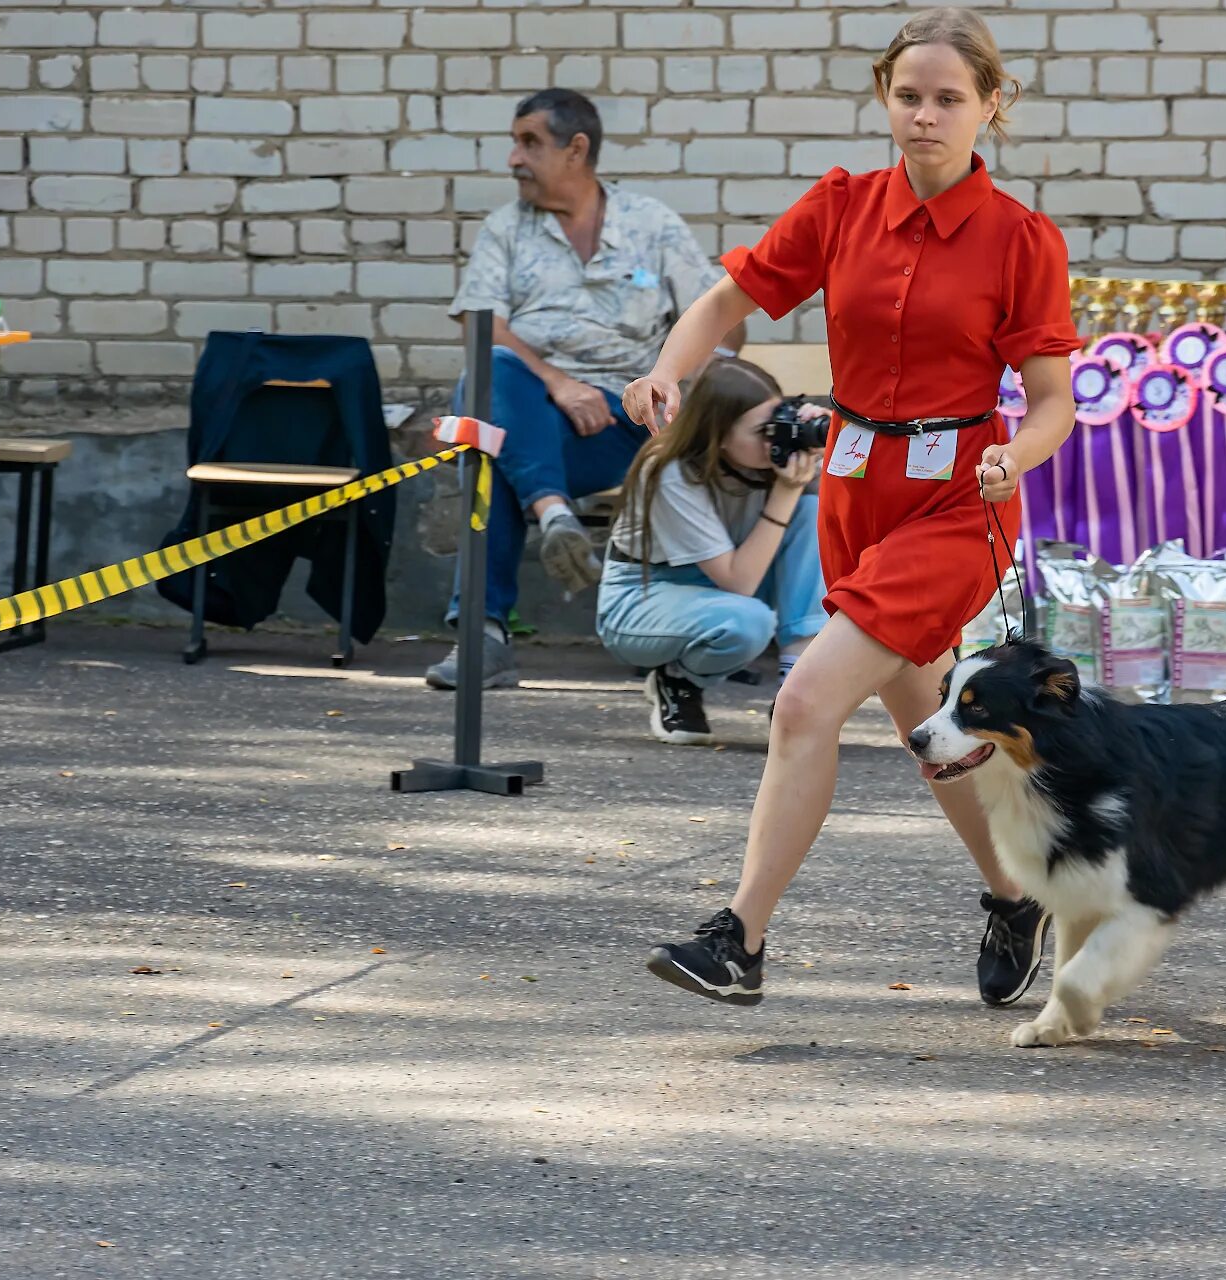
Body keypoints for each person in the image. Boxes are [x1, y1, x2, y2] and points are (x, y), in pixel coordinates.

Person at [623, 8, 1082, 1009]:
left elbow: (1054, 401)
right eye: (908, 96)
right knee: (933, 733)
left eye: (948, 99)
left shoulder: (1020, 239)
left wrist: (1017, 454)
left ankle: (738, 937)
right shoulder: (839, 207)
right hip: (852, 495)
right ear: (885, 97)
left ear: (989, 107)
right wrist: (667, 367)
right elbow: (725, 301)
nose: (924, 116)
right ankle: (1017, 895)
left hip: (956, 506)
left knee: (802, 700)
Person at [428, 88, 744, 690]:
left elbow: (727, 324)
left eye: (529, 143)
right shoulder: (507, 229)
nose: (513, 159)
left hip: (627, 422)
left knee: (490, 457)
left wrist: (673, 388)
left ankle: (484, 635)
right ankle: (550, 516)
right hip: (532, 408)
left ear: (577, 149)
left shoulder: (651, 223)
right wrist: (561, 383)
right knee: (490, 377)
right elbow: (479, 320)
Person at [598, 358, 826, 745]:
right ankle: (678, 679)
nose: (775, 438)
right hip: (644, 596)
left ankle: (796, 688)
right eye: (762, 431)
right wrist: (786, 491)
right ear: (718, 434)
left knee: (812, 511)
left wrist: (825, 442)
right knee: (746, 623)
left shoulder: (766, 454)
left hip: (728, 579)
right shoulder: (670, 469)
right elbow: (739, 583)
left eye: (779, 420)